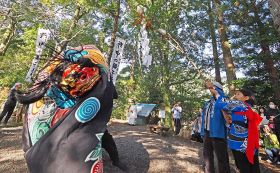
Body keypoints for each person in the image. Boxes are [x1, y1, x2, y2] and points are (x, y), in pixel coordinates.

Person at [16, 45, 118, 172]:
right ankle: (116, 160)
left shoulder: (94, 69)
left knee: (96, 134)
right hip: (64, 109)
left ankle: (116, 160)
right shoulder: (57, 73)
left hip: (79, 109)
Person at [217, 88, 262, 173]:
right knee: (254, 166)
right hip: (251, 141)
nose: (235, 95)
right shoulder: (250, 108)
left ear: (246, 98)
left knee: (243, 166)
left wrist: (217, 94)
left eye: (238, 94)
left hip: (239, 143)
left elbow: (219, 104)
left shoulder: (239, 104)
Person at [201, 81, 230, 173]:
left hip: (218, 132)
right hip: (207, 132)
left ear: (218, 89)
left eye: (212, 87)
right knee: (207, 155)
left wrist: (216, 93)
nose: (210, 89)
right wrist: (202, 131)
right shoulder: (208, 102)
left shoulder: (224, 99)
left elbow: (227, 108)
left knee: (221, 157)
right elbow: (204, 117)